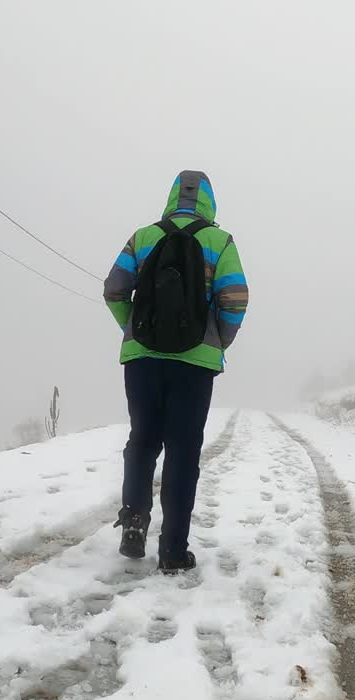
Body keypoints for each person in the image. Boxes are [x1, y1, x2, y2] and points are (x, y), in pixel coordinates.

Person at [102, 170, 248, 572]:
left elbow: (114, 289)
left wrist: (134, 330)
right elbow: (235, 298)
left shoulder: (144, 237)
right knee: (184, 452)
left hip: (141, 359)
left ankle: (133, 519)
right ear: (208, 201)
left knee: (142, 440)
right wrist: (217, 342)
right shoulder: (220, 242)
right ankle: (173, 551)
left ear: (172, 198)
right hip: (195, 365)